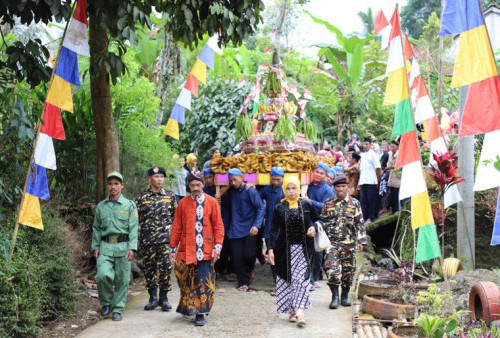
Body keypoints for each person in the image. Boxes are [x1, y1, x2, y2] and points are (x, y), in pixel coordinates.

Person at [169, 171, 225, 326]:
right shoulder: (183, 203)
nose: (195, 188)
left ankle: (200, 312)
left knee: (203, 280)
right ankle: (190, 308)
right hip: (186, 249)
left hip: (205, 249)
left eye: (198, 185)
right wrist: (172, 249)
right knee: (184, 278)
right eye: (192, 185)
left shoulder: (212, 202)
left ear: (203, 184)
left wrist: (217, 247)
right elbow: (177, 228)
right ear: (188, 185)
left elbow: (218, 227)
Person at [268, 176, 319, 327]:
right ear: (284, 190)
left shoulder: (306, 205)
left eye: (294, 188)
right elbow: (272, 230)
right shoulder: (279, 208)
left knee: (301, 280)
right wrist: (270, 249)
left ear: (299, 189)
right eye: (288, 188)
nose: (291, 191)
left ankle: (300, 312)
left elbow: (319, 220)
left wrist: (313, 227)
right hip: (284, 250)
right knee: (287, 279)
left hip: (304, 249)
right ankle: (291, 310)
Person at [92, 171, 138, 321]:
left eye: (116, 184)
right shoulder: (101, 206)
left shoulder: (129, 205)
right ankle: (106, 303)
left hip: (123, 247)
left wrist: (132, 247)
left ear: (122, 186)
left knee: (122, 279)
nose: (113, 187)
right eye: (110, 184)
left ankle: (118, 309)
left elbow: (133, 228)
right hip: (105, 246)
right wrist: (95, 246)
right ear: (107, 186)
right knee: (102, 275)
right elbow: (96, 228)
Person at [321, 174, 367, 309]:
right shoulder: (327, 203)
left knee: (348, 272)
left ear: (347, 187)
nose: (341, 189)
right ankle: (334, 296)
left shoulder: (355, 203)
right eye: (338, 186)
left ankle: (344, 296)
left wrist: (361, 241)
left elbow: (360, 223)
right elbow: (322, 222)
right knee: (332, 270)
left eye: (343, 186)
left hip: (349, 243)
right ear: (334, 188)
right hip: (331, 244)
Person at [135, 166, 177, 312]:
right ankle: (152, 298)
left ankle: (164, 298)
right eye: (156, 176)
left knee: (166, 267)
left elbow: (175, 218)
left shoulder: (170, 196)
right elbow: (136, 220)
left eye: (161, 176)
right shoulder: (141, 197)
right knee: (149, 269)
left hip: (166, 240)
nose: (160, 179)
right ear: (149, 179)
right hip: (147, 240)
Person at [225, 168, 265, 291]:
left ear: (242, 177)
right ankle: (243, 282)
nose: (233, 183)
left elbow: (260, 208)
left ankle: (249, 271)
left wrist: (256, 225)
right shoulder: (231, 190)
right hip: (235, 228)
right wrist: (226, 187)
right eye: (230, 181)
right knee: (237, 257)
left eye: (235, 180)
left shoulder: (250, 191)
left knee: (249, 254)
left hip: (249, 228)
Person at [305, 163, 335, 290]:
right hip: (306, 222)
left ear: (325, 176)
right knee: (307, 252)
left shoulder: (328, 190)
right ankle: (309, 279)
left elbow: (326, 206)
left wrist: (310, 202)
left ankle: (314, 278)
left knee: (317, 253)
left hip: (319, 223)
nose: (318, 174)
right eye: (316, 172)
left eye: (321, 173)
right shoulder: (307, 185)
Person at [259, 166, 285, 290]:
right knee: (271, 254)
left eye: (278, 180)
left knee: (282, 254)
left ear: (282, 179)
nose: (275, 182)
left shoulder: (286, 189)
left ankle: (283, 280)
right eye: (273, 179)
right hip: (270, 226)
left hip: (284, 227)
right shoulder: (266, 190)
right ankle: (277, 281)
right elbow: (257, 198)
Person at [358, 137, 382, 225]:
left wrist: (378, 181)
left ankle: (371, 217)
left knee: (371, 200)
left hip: (371, 181)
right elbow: (361, 170)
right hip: (363, 180)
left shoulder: (373, 154)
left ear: (370, 144)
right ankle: (365, 217)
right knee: (363, 200)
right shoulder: (362, 155)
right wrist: (359, 182)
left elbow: (378, 168)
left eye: (366, 144)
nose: (364, 146)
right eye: (363, 144)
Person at [386, 140, 401, 214]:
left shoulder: (399, 154)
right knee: (391, 194)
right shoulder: (390, 155)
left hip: (398, 176)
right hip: (392, 176)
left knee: (396, 194)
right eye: (391, 146)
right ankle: (393, 210)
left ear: (397, 147)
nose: (391, 148)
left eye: (393, 146)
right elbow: (388, 164)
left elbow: (400, 166)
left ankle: (398, 209)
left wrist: (391, 166)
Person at [379, 144, 391, 214]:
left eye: (385, 147)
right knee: (384, 192)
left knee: (385, 191)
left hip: (386, 174)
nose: (383, 148)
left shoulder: (387, 155)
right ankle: (384, 206)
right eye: (382, 147)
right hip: (384, 173)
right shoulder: (383, 155)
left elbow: (383, 164)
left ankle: (385, 207)